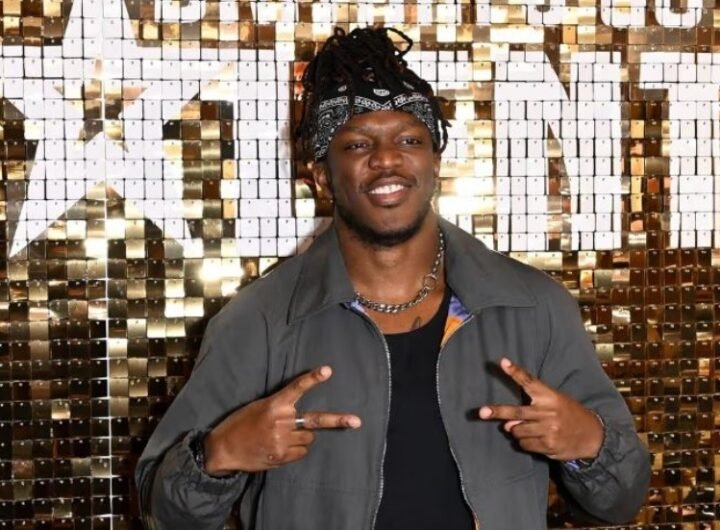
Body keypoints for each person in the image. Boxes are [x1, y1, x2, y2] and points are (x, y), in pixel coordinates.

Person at [135, 26, 650, 530]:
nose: (386, 159)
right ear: (322, 177)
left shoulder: (534, 308)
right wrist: (218, 454)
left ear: (435, 163)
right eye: (358, 145)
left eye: (408, 139)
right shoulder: (261, 321)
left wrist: (589, 443)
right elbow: (164, 511)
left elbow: (622, 500)